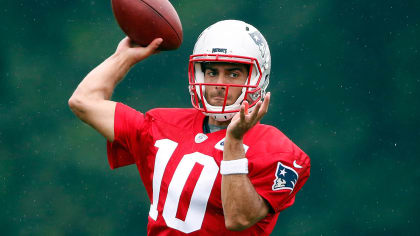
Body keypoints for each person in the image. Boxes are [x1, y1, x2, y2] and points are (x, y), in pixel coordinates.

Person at [69, 20, 310, 235]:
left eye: (233, 74)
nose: (218, 84)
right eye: (212, 72)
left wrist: (234, 142)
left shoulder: (277, 150)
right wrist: (123, 57)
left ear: (256, 78)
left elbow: (240, 219)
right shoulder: (162, 124)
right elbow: (84, 101)